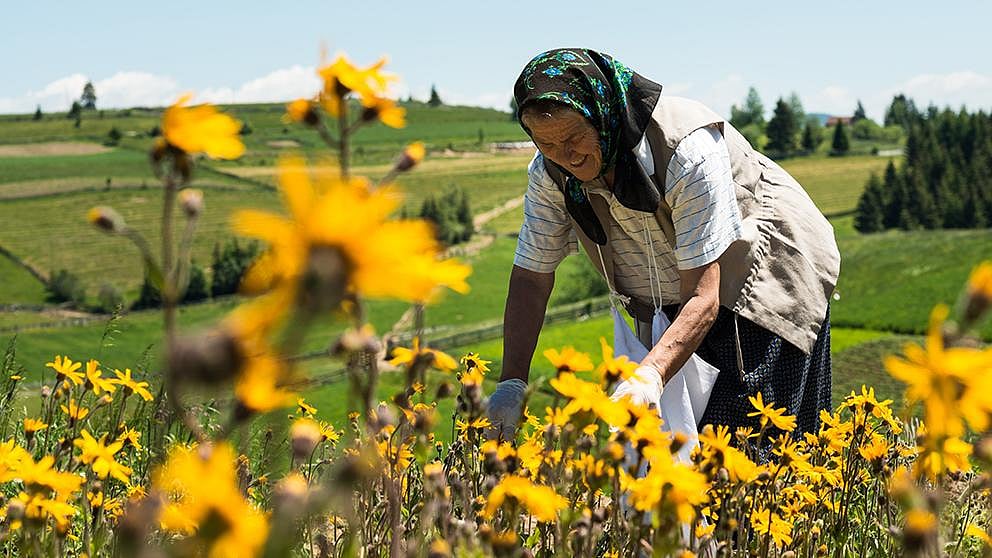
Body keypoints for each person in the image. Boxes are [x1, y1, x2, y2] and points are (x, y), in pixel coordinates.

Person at [486, 48, 840, 444]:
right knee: (668, 451)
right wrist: (512, 382)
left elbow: (704, 295)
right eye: (546, 144)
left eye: (573, 138)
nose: (564, 157)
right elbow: (532, 278)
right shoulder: (549, 173)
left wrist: (650, 376)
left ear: (602, 114)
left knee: (746, 443)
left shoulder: (687, 149)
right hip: (672, 292)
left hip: (759, 276)